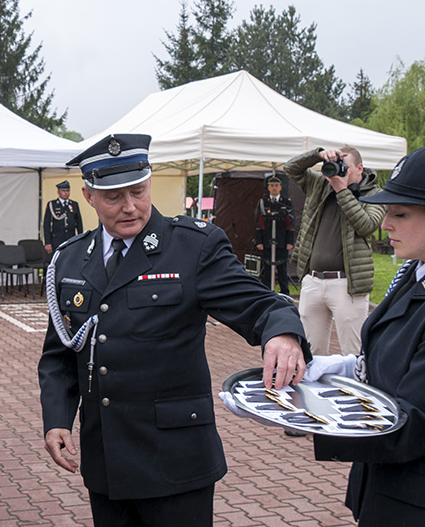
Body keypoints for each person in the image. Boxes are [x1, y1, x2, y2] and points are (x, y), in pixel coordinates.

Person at [38, 133, 310, 527]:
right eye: (114, 197)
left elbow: (260, 302)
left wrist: (283, 333)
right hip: (106, 458)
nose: (130, 206)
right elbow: (61, 353)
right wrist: (57, 418)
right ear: (88, 195)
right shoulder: (71, 260)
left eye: (138, 191)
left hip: (176, 460)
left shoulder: (193, 247)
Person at [296, 146, 425, 526]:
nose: (386, 224)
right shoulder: (412, 275)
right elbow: (387, 360)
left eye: (400, 214)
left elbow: (412, 419)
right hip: (384, 486)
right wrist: (336, 367)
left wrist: (317, 415)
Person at [284, 147, 384, 355]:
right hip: (313, 281)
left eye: (344, 167)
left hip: (348, 284)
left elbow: (367, 225)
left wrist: (342, 191)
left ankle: (355, 388)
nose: (339, 172)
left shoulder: (375, 194)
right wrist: (317, 155)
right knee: (310, 351)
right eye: (336, 166)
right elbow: (290, 169)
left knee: (353, 353)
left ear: (360, 168)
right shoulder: (320, 183)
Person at [254, 176, 294, 295]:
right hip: (267, 240)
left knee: (282, 269)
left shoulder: (287, 202)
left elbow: (291, 224)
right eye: (272, 186)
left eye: (276, 186)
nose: (274, 188)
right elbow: (258, 223)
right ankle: (267, 293)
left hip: (282, 241)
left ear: (281, 188)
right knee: (267, 270)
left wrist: (290, 241)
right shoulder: (263, 203)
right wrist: (259, 241)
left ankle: (285, 293)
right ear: (268, 188)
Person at [43, 180, 83, 253]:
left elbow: (79, 223)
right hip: (57, 239)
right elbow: (47, 224)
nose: (66, 193)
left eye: (67, 190)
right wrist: (47, 242)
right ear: (58, 192)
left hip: (71, 239)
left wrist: (81, 238)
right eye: (63, 191)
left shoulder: (74, 204)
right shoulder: (52, 204)